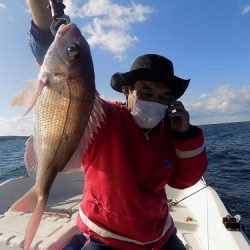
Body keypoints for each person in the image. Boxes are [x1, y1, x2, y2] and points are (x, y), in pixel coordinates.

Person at [26, 1, 208, 249]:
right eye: (146, 91)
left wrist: (185, 134)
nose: (155, 100)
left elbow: (183, 181)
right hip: (104, 236)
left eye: (163, 96)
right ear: (126, 91)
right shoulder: (105, 117)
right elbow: (56, 65)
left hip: (159, 235)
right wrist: (40, 11)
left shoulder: (171, 132)